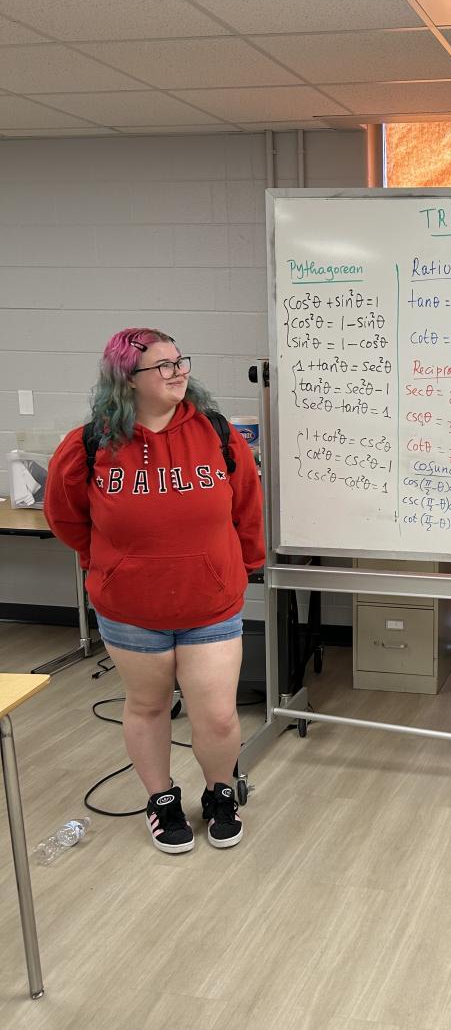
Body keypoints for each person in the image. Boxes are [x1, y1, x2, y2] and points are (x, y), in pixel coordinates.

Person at [44, 328, 264, 855]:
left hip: (210, 603)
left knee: (217, 714)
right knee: (147, 706)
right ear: (127, 379)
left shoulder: (216, 433)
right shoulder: (89, 444)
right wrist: (110, 563)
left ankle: (220, 794)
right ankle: (161, 800)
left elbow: (247, 506)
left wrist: (247, 564)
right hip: (130, 610)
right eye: (162, 365)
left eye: (180, 361)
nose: (178, 372)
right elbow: (65, 517)